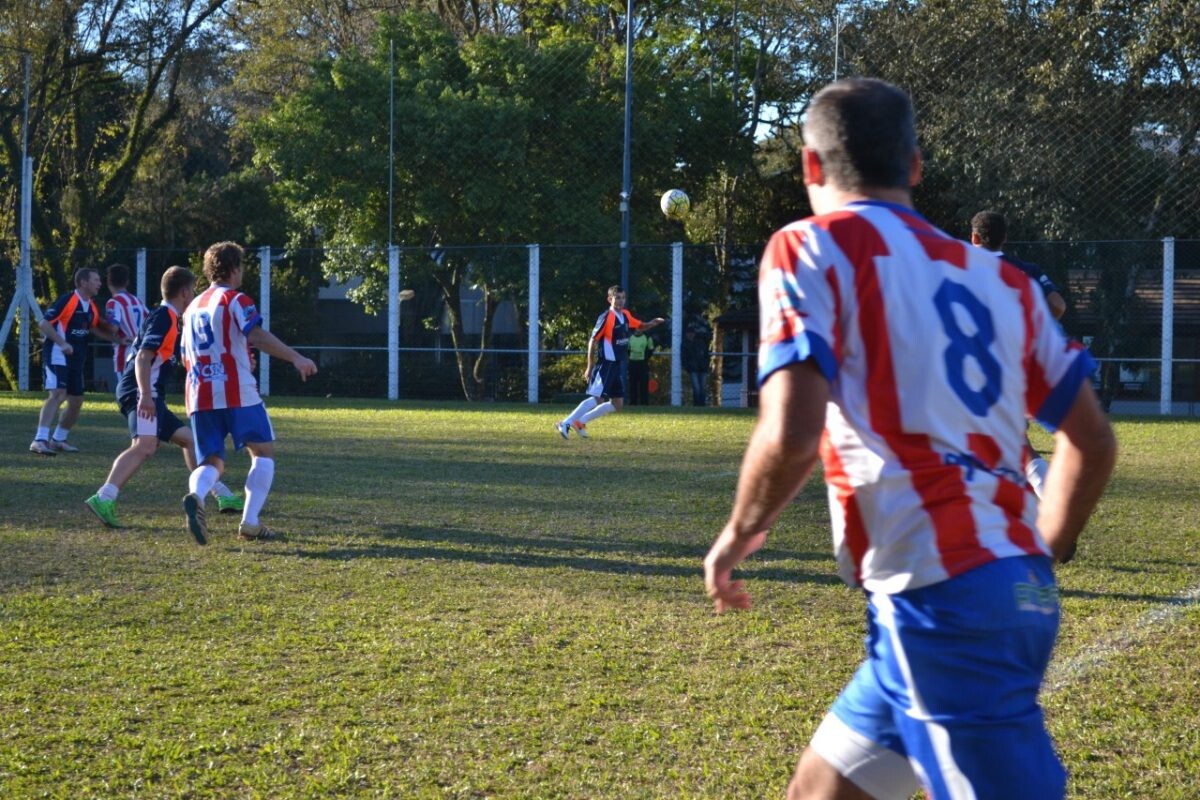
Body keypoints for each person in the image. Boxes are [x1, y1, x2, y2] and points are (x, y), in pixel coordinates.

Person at [703, 78, 1116, 800]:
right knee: (820, 792)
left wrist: (738, 534)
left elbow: (794, 428)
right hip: (971, 594)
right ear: (916, 166)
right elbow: (1092, 441)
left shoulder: (809, 247)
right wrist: (1035, 556)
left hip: (940, 601)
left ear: (808, 166)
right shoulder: (1002, 281)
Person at [84, 267, 243, 529]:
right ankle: (104, 497)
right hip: (141, 391)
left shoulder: (167, 318)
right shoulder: (164, 317)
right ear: (184, 292)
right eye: (192, 290)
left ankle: (222, 495)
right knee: (145, 446)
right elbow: (144, 357)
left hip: (148, 393)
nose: (193, 295)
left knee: (191, 441)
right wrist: (145, 394)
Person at [180, 241, 317, 544]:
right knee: (263, 452)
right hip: (237, 391)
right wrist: (296, 357)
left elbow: (185, 356)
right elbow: (255, 334)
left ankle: (197, 494)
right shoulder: (236, 300)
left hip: (199, 392)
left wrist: (237, 354)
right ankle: (250, 522)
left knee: (211, 462)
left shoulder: (191, 308)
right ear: (234, 269)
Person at [971, 209, 1068, 499]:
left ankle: (1048, 500)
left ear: (974, 237)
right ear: (1005, 239)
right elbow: (1058, 305)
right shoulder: (1029, 269)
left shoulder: (961, 268)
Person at [29, 267, 122, 455]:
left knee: (77, 400)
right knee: (57, 393)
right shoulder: (68, 300)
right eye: (95, 280)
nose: (99, 283)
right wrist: (62, 343)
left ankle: (59, 439)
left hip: (75, 359)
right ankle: (39, 440)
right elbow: (44, 324)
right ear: (83, 283)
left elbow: (93, 326)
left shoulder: (91, 305)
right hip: (57, 354)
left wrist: (118, 340)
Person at [555, 285, 663, 439]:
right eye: (617, 297)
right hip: (606, 364)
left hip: (616, 365)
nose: (620, 301)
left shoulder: (625, 315)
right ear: (609, 299)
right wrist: (590, 366)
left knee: (617, 403)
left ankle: (580, 422)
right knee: (598, 398)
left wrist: (652, 323)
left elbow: (639, 325)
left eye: (622, 297)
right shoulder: (606, 317)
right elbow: (593, 341)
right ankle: (565, 423)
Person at [104, 263, 147, 387]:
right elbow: (150, 322)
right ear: (127, 282)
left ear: (108, 282)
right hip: (141, 350)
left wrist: (96, 324)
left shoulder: (113, 302)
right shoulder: (137, 301)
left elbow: (113, 328)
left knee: (126, 392)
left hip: (125, 351)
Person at [681, 324, 710, 407]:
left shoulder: (700, 342)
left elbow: (706, 355)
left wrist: (706, 364)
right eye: (689, 333)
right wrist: (687, 367)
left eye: (692, 333)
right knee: (696, 388)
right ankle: (697, 405)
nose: (690, 334)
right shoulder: (685, 344)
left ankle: (702, 405)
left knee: (703, 388)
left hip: (702, 368)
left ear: (694, 333)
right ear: (686, 334)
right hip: (693, 369)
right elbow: (684, 357)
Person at [627, 327, 655, 405]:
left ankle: (644, 403)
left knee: (644, 384)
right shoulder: (630, 338)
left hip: (643, 364)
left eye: (641, 328)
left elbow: (650, 350)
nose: (639, 329)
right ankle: (633, 403)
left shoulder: (647, 338)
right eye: (637, 328)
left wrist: (645, 359)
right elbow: (628, 350)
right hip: (632, 364)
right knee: (632, 385)